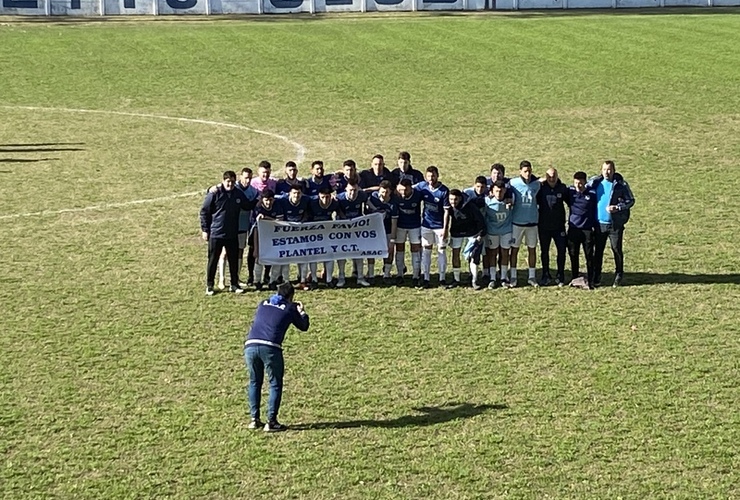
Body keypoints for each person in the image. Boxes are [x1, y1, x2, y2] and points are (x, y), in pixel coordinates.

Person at [244, 282, 309, 432]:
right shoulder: (290, 308)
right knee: (275, 384)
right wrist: (302, 312)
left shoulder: (263, 303)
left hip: (250, 345)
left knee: (255, 381)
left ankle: (254, 419)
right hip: (271, 348)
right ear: (291, 296)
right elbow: (304, 326)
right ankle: (271, 421)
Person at [200, 170, 257, 295]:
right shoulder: (215, 193)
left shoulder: (238, 193)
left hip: (232, 233)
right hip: (216, 233)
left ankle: (234, 284)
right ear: (223, 181)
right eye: (228, 181)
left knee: (233, 260)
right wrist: (205, 229)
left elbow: (247, 206)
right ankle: (210, 285)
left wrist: (259, 199)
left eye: (232, 181)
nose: (230, 184)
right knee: (213, 260)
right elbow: (204, 211)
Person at [588, 160, 635, 287]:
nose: (606, 172)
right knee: (598, 251)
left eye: (609, 169)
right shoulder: (595, 183)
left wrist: (618, 207)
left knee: (616, 249)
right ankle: (597, 276)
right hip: (599, 224)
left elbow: (630, 200)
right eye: (604, 169)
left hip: (615, 225)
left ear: (614, 170)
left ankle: (619, 274)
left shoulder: (621, 185)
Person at [414, 166, 450, 288]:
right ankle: (426, 278)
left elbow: (446, 212)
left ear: (437, 176)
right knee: (426, 251)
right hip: (426, 225)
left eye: (433, 176)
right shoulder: (422, 187)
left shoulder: (444, 191)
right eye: (429, 176)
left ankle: (442, 278)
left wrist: (445, 229)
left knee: (441, 251)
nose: (431, 179)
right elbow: (408, 188)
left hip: (439, 226)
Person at [445, 189, 486, 289]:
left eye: (455, 199)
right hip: (456, 232)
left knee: (473, 256)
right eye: (451, 199)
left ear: (460, 198)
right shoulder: (449, 206)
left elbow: (480, 220)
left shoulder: (470, 206)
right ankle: (456, 279)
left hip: (471, 232)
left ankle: (474, 280)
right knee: (455, 254)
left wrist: (481, 234)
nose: (453, 202)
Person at [509, 160, 541, 288]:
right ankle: (513, 276)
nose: (527, 174)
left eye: (529, 171)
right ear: (520, 171)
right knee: (514, 250)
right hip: (517, 223)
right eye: (525, 171)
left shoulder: (537, 184)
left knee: (532, 249)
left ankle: (532, 276)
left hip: (532, 223)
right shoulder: (513, 183)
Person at [536, 167, 570, 286]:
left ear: (557, 176)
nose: (551, 178)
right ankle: (545, 273)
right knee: (544, 251)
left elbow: (572, 203)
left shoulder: (562, 188)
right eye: (549, 176)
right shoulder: (541, 188)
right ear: (546, 177)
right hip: (544, 227)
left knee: (561, 250)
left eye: (554, 176)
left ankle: (560, 274)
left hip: (559, 227)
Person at [306, 187, 343, 289]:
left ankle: (329, 279)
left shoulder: (334, 203)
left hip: (327, 233)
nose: (325, 200)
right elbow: (306, 215)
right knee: (313, 255)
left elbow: (340, 213)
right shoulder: (312, 203)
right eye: (323, 197)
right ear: (319, 196)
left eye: (327, 197)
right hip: (314, 233)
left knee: (329, 255)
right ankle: (314, 279)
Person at [365, 180, 399, 284]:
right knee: (371, 251)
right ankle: (370, 274)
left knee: (389, 251)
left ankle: (387, 274)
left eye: (386, 192)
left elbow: (394, 222)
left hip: (387, 229)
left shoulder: (393, 204)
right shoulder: (373, 198)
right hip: (374, 231)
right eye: (382, 192)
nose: (384, 195)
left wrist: (392, 240)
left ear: (390, 192)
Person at [335, 180, 368, 287]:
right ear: (346, 189)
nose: (352, 193)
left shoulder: (362, 195)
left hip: (357, 229)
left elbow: (369, 206)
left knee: (359, 252)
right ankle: (341, 277)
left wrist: (376, 211)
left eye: (355, 190)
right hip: (342, 230)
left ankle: (360, 277)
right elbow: (336, 210)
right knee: (341, 253)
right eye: (350, 190)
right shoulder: (339, 198)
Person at [567, 172, 597, 289]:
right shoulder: (570, 192)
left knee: (589, 255)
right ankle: (575, 277)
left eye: (580, 183)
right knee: (573, 254)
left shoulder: (592, 194)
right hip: (574, 229)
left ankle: (591, 278)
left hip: (587, 230)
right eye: (576, 183)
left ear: (585, 182)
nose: (578, 186)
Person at [278, 183, 311, 290]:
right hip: (286, 234)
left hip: (300, 233)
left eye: (298, 193)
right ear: (289, 194)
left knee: (303, 256)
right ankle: (286, 281)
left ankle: (302, 280)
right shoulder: (282, 200)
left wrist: (303, 221)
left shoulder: (306, 200)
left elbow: (307, 211)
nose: (296, 196)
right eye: (294, 193)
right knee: (286, 257)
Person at [483, 180, 514, 289]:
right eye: (496, 191)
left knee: (505, 253)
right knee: (492, 254)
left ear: (505, 190)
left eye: (501, 191)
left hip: (506, 231)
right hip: (492, 231)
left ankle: (503, 277)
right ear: (492, 191)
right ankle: (492, 278)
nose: (499, 193)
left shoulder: (510, 201)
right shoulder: (487, 201)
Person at [252, 189, 284, 291]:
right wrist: (256, 247)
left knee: (276, 258)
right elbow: (257, 227)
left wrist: (266, 218)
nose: (268, 202)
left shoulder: (277, 206)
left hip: (274, 235)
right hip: (261, 235)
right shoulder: (258, 207)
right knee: (259, 258)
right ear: (262, 199)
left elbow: (280, 222)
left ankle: (272, 281)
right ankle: (257, 281)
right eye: (266, 200)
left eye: (270, 200)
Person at [395, 179, 424, 287]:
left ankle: (416, 276)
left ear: (411, 188)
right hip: (400, 226)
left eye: (406, 190)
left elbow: (424, 185)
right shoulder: (396, 194)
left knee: (415, 249)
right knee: (399, 249)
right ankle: (399, 274)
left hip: (414, 226)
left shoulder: (418, 194)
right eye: (401, 190)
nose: (403, 193)